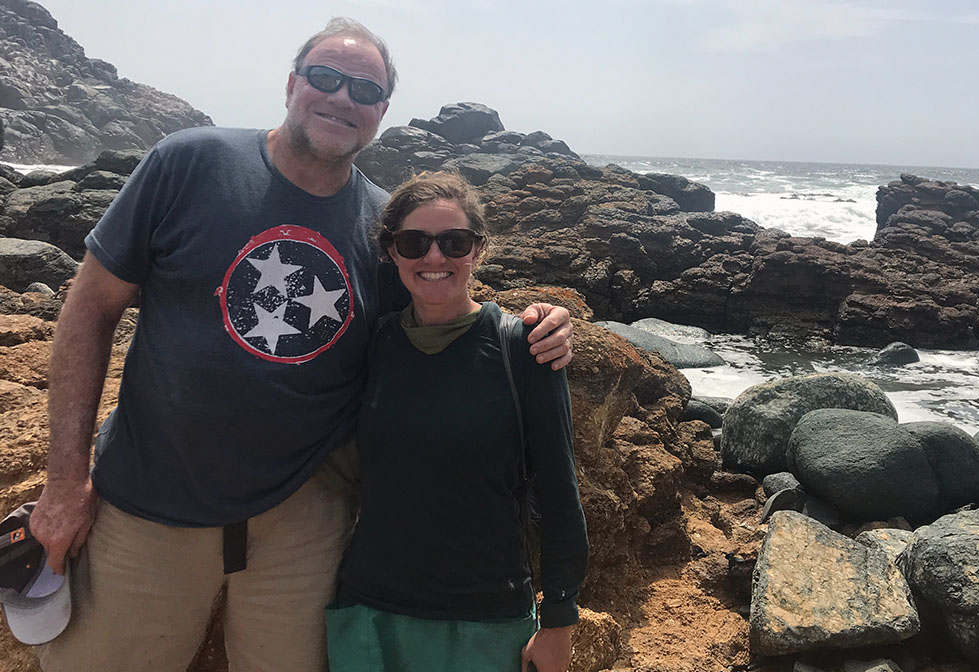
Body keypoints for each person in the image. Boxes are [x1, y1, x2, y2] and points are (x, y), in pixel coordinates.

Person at [29, 18, 573, 672]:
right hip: (147, 506)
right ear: (292, 84)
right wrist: (65, 480)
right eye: (325, 78)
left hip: (304, 527)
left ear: (381, 113)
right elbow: (90, 307)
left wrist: (535, 325)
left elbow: (439, 313)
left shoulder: (383, 227)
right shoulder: (188, 162)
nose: (343, 98)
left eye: (364, 90)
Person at [326, 172, 587, 672]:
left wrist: (558, 621)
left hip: (483, 617)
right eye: (413, 242)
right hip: (368, 609)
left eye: (454, 241)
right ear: (391, 251)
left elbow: (559, 493)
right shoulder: (373, 343)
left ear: (477, 250)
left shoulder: (524, 349)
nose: (434, 257)